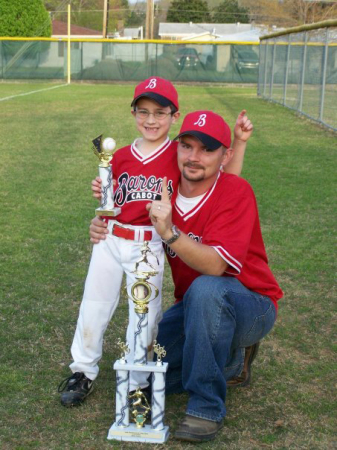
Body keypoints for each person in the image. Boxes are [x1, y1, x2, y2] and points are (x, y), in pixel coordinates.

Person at [89, 110, 283, 442]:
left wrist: (169, 233)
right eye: (187, 146)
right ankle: (231, 363)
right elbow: (126, 219)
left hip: (251, 303)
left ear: (225, 155)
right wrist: (103, 225)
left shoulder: (236, 192)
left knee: (208, 289)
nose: (194, 157)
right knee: (146, 368)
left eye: (207, 149)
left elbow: (215, 267)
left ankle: (205, 407)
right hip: (195, 308)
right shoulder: (164, 191)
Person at [58, 77, 252, 408]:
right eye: (143, 111)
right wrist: (100, 211)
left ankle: (138, 379)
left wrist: (238, 142)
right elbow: (113, 202)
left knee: (144, 313)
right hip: (110, 238)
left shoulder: (177, 153)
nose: (151, 120)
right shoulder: (118, 156)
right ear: (133, 112)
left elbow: (222, 178)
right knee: (94, 304)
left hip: (148, 243)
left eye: (160, 113)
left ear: (174, 116)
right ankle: (83, 370)